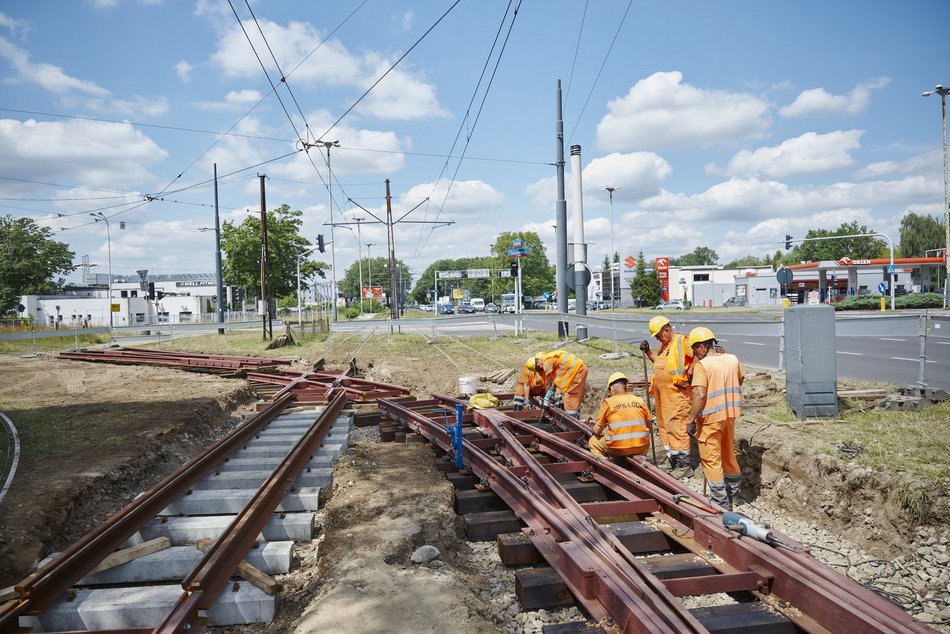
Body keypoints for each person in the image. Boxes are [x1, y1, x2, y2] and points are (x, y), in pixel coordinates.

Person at [686, 326, 745, 511]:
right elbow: (740, 379)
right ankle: (735, 497)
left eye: (695, 348)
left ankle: (720, 503)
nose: (695, 352)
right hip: (729, 415)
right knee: (728, 454)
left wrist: (690, 419)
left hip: (710, 418)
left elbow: (699, 396)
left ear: (702, 346)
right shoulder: (732, 359)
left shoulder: (703, 366)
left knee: (711, 460)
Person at [639, 315, 693, 475]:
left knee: (677, 425)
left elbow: (698, 355)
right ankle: (673, 460)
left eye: (658, 335)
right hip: (663, 395)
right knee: (664, 426)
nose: (657, 338)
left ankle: (684, 465)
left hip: (677, 395)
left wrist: (690, 372)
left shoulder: (681, 341)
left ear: (667, 329)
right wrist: (648, 351)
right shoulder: (664, 346)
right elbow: (660, 363)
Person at [588, 372, 652, 460]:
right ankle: (640, 458)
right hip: (640, 446)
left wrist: (593, 429)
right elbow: (649, 425)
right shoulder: (639, 400)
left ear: (611, 389)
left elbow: (598, 431)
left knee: (593, 441)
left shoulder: (609, 402)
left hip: (618, 447)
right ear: (626, 386)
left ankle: (605, 464)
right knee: (645, 441)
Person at [524, 350, 588, 417]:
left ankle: (571, 422)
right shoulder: (549, 359)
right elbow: (554, 380)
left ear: (537, 366)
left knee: (569, 397)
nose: (540, 372)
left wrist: (547, 397)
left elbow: (548, 383)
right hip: (579, 369)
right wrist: (551, 390)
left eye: (537, 371)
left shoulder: (546, 363)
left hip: (577, 371)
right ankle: (576, 417)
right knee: (575, 397)